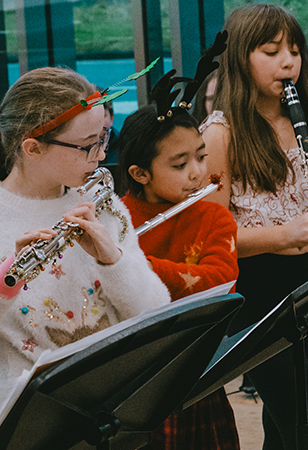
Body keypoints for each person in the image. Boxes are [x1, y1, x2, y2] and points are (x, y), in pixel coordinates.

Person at [0, 66, 171, 416]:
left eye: (103, 138)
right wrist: (6, 279)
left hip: (117, 404)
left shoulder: (101, 204)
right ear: (32, 147)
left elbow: (155, 314)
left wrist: (112, 260)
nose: (100, 156)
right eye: (87, 146)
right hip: (33, 418)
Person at [201, 5, 308, 449]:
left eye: (294, 50)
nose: (288, 61)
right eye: (271, 51)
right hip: (256, 296)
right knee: (304, 432)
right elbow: (213, 238)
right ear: (239, 58)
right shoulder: (221, 134)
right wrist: (286, 234)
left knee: (285, 428)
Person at [118, 102, 240, 448]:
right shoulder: (113, 219)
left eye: (201, 157)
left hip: (191, 372)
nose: (197, 173)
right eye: (180, 164)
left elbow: (219, 281)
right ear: (140, 173)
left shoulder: (214, 218)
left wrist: (128, 264)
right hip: (128, 377)